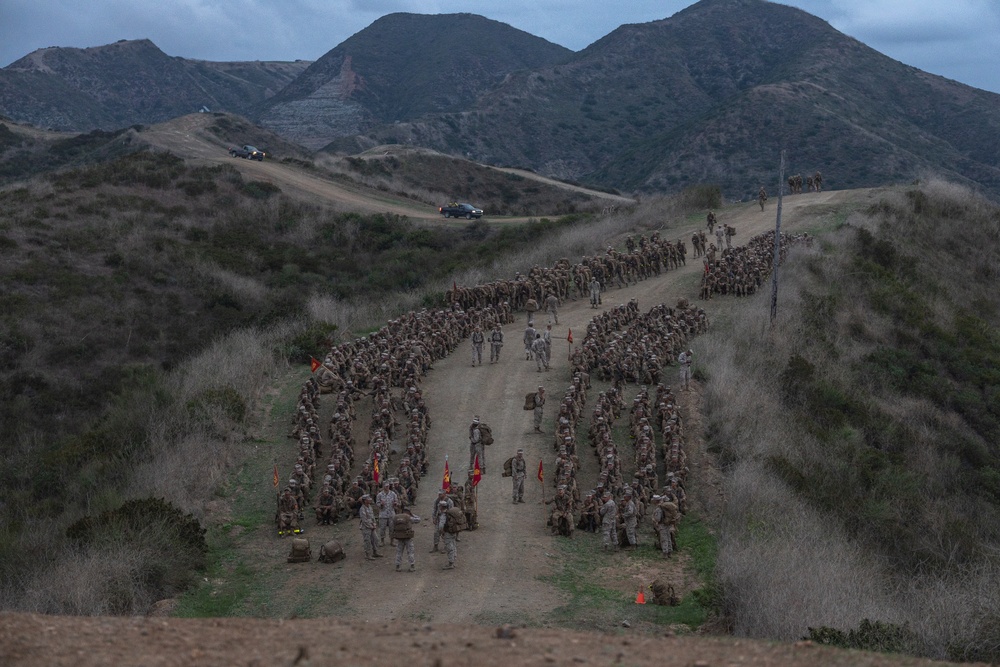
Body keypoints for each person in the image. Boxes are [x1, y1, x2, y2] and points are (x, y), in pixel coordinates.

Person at [393, 507, 419, 572]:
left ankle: (398, 566)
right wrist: (412, 514)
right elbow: (418, 519)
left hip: (399, 536)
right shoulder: (409, 517)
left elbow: (392, 525)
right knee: (410, 551)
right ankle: (412, 566)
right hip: (408, 536)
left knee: (399, 552)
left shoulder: (396, 517)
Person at [359, 494, 382, 560]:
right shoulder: (362, 509)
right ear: (365, 501)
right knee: (367, 541)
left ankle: (375, 552)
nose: (370, 500)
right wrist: (370, 526)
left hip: (372, 526)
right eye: (368, 499)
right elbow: (364, 520)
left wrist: (374, 523)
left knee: (375, 539)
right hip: (366, 527)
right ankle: (367, 554)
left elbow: (373, 517)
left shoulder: (369, 507)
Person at [375, 481, 398, 547]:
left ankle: (392, 541)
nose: (387, 487)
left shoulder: (393, 494)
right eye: (386, 486)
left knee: (392, 528)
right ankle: (382, 541)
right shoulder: (380, 495)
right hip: (383, 514)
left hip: (391, 513)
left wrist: (395, 503)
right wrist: (381, 504)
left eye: (388, 486)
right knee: (382, 528)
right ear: (383, 486)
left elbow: (396, 501)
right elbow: (377, 504)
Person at [439, 499, 458, 569]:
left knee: (449, 547)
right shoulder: (450, 513)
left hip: (447, 533)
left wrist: (441, 532)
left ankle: (451, 563)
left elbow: (441, 526)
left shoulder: (444, 515)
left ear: (441, 507)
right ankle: (453, 560)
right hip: (453, 532)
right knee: (453, 546)